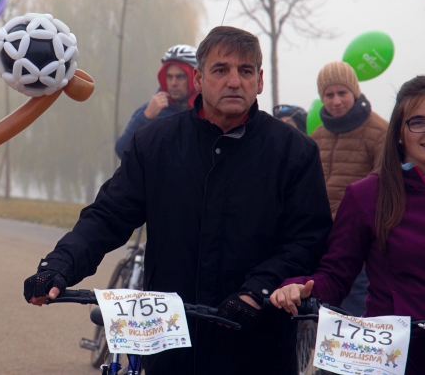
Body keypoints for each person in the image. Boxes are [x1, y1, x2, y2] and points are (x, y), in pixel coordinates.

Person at [23, 27, 333, 375]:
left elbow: (308, 239)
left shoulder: (294, 152)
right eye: (221, 70)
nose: (234, 81)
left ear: (260, 81)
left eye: (245, 71)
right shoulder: (154, 143)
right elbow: (108, 216)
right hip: (170, 346)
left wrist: (257, 290)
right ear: (199, 79)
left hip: (257, 345)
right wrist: (59, 266)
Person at [271, 75, 425, 373]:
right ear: (399, 134)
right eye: (417, 122)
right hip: (394, 357)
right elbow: (335, 276)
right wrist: (297, 287)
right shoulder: (366, 196)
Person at [311, 61, 388, 316]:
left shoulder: (379, 132)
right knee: (323, 303)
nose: (335, 101)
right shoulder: (317, 136)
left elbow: (385, 188)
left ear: (354, 92)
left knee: (354, 303)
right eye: (328, 94)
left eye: (342, 93)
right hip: (321, 235)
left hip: (359, 238)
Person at [114, 45, 197, 158]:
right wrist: (145, 118)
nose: (173, 83)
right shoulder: (151, 111)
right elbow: (122, 151)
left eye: (180, 77)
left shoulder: (209, 112)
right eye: (169, 76)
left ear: (195, 78)